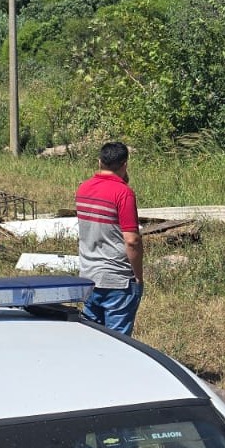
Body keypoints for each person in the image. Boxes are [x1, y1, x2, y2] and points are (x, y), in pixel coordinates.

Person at [76, 142, 144, 336]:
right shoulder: (123, 193)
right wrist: (138, 277)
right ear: (125, 165)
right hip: (117, 280)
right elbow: (132, 241)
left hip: (88, 276)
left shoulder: (83, 189)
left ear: (99, 162)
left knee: (92, 338)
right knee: (118, 342)